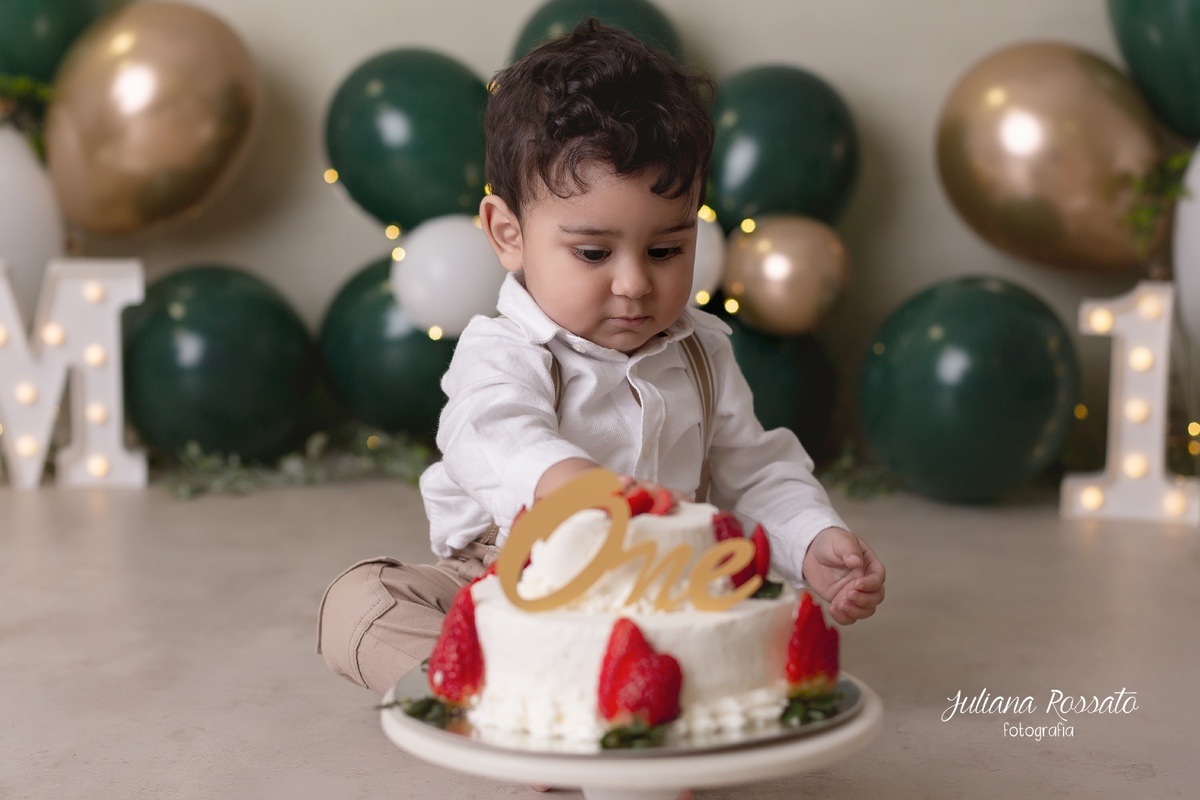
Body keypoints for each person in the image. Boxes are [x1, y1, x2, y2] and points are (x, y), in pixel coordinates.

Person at [319, 14, 884, 757]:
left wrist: (813, 540)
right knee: (357, 602)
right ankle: (509, 697)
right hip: (509, 589)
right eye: (592, 251)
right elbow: (491, 430)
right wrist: (573, 485)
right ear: (506, 233)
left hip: (667, 591)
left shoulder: (705, 353)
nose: (633, 284)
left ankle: (622, 697)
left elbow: (758, 472)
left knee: (758, 615)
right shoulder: (504, 350)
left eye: (666, 248)